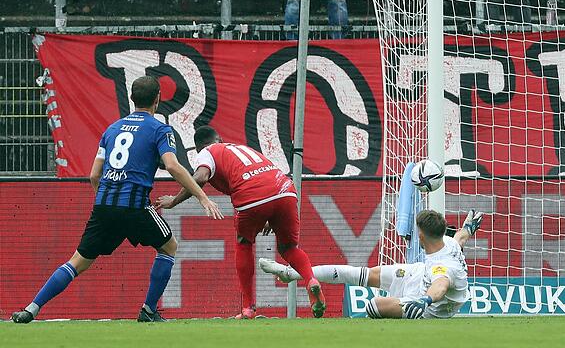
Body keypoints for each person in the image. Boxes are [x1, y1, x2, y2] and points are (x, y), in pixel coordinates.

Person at [11, 76, 222, 324]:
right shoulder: (160, 130)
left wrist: (107, 201)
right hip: (134, 205)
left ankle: (31, 309)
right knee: (169, 247)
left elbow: (94, 175)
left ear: (132, 99)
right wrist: (202, 197)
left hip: (104, 205)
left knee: (77, 262)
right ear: (158, 99)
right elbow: (173, 166)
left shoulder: (111, 129)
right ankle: (148, 310)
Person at [155, 126, 326, 319]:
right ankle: (311, 279)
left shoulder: (207, 152)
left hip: (253, 194)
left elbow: (200, 177)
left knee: (244, 243)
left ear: (198, 148)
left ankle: (248, 308)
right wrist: (270, 215)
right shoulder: (242, 149)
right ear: (219, 138)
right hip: (284, 189)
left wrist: (174, 200)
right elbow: (266, 180)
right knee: (288, 248)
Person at [260, 209, 483, 319]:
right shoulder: (448, 243)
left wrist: (425, 300)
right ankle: (290, 273)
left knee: (375, 305)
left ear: (422, 236)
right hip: (418, 274)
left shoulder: (441, 268)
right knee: (363, 274)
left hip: (429, 306)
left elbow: (441, 285)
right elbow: (460, 237)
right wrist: (469, 228)